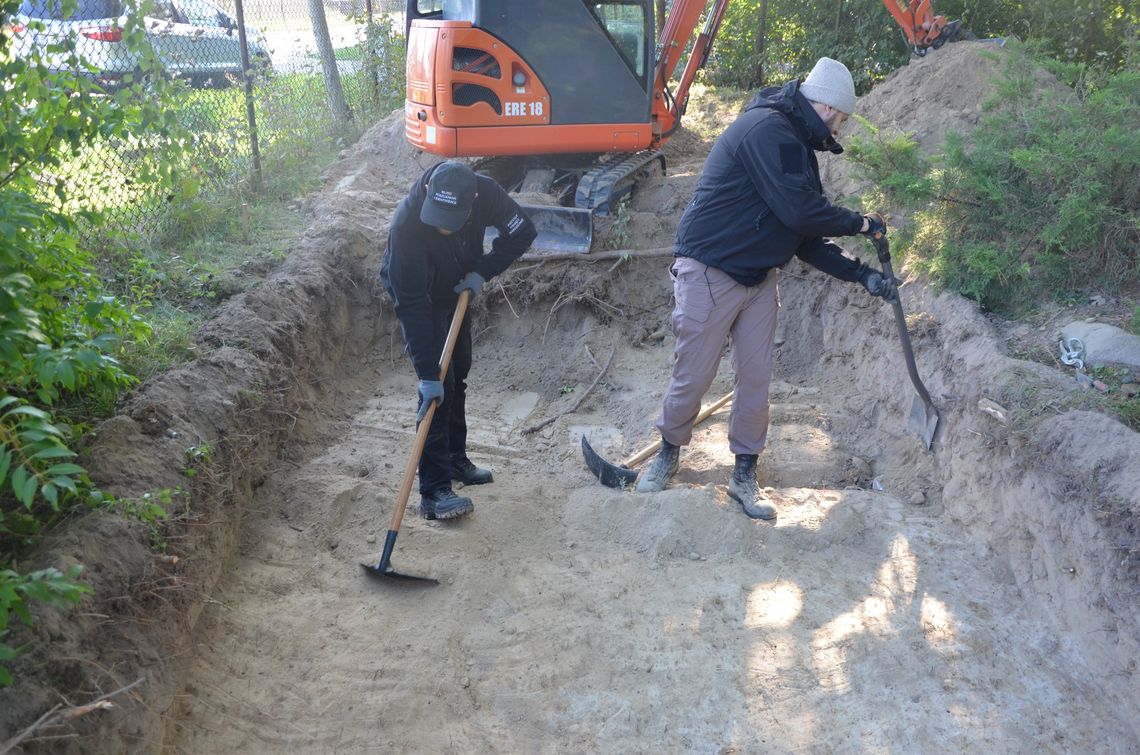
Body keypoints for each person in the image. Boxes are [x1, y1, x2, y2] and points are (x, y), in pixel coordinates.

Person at [635, 57, 897, 520]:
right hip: (710, 271)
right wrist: (860, 222)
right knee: (693, 374)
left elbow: (805, 238)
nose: (838, 129)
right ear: (826, 107)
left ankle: (743, 474)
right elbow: (800, 212)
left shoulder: (796, 146)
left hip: (759, 278)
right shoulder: (767, 131)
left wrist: (863, 275)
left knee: (755, 381)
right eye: (839, 119)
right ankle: (667, 455)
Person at [380, 160, 537, 520]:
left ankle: (454, 461)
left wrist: (482, 271)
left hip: (456, 287)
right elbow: (412, 305)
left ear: (473, 200)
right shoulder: (406, 226)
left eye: (450, 222)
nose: (441, 228)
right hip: (418, 294)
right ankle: (434, 492)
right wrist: (427, 375)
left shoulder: (486, 192)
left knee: (459, 373)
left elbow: (522, 232)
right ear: (427, 194)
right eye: (436, 218)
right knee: (439, 383)